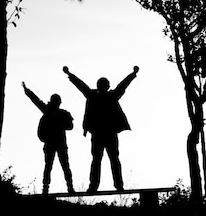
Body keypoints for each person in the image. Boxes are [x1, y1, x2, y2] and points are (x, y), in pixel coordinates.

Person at [62, 65, 139, 193]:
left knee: (98, 160)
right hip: (109, 133)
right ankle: (118, 185)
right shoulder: (110, 96)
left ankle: (94, 186)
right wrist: (133, 74)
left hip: (98, 133)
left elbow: (81, 85)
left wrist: (70, 74)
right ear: (107, 86)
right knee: (113, 159)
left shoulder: (93, 95)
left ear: (98, 86)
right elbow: (123, 85)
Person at [22, 82, 75, 195]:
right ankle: (61, 188)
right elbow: (36, 101)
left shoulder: (52, 112)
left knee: (56, 166)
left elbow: (37, 101)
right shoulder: (58, 113)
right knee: (57, 166)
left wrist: (28, 91)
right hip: (55, 143)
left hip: (56, 143)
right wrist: (27, 91)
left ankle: (59, 188)